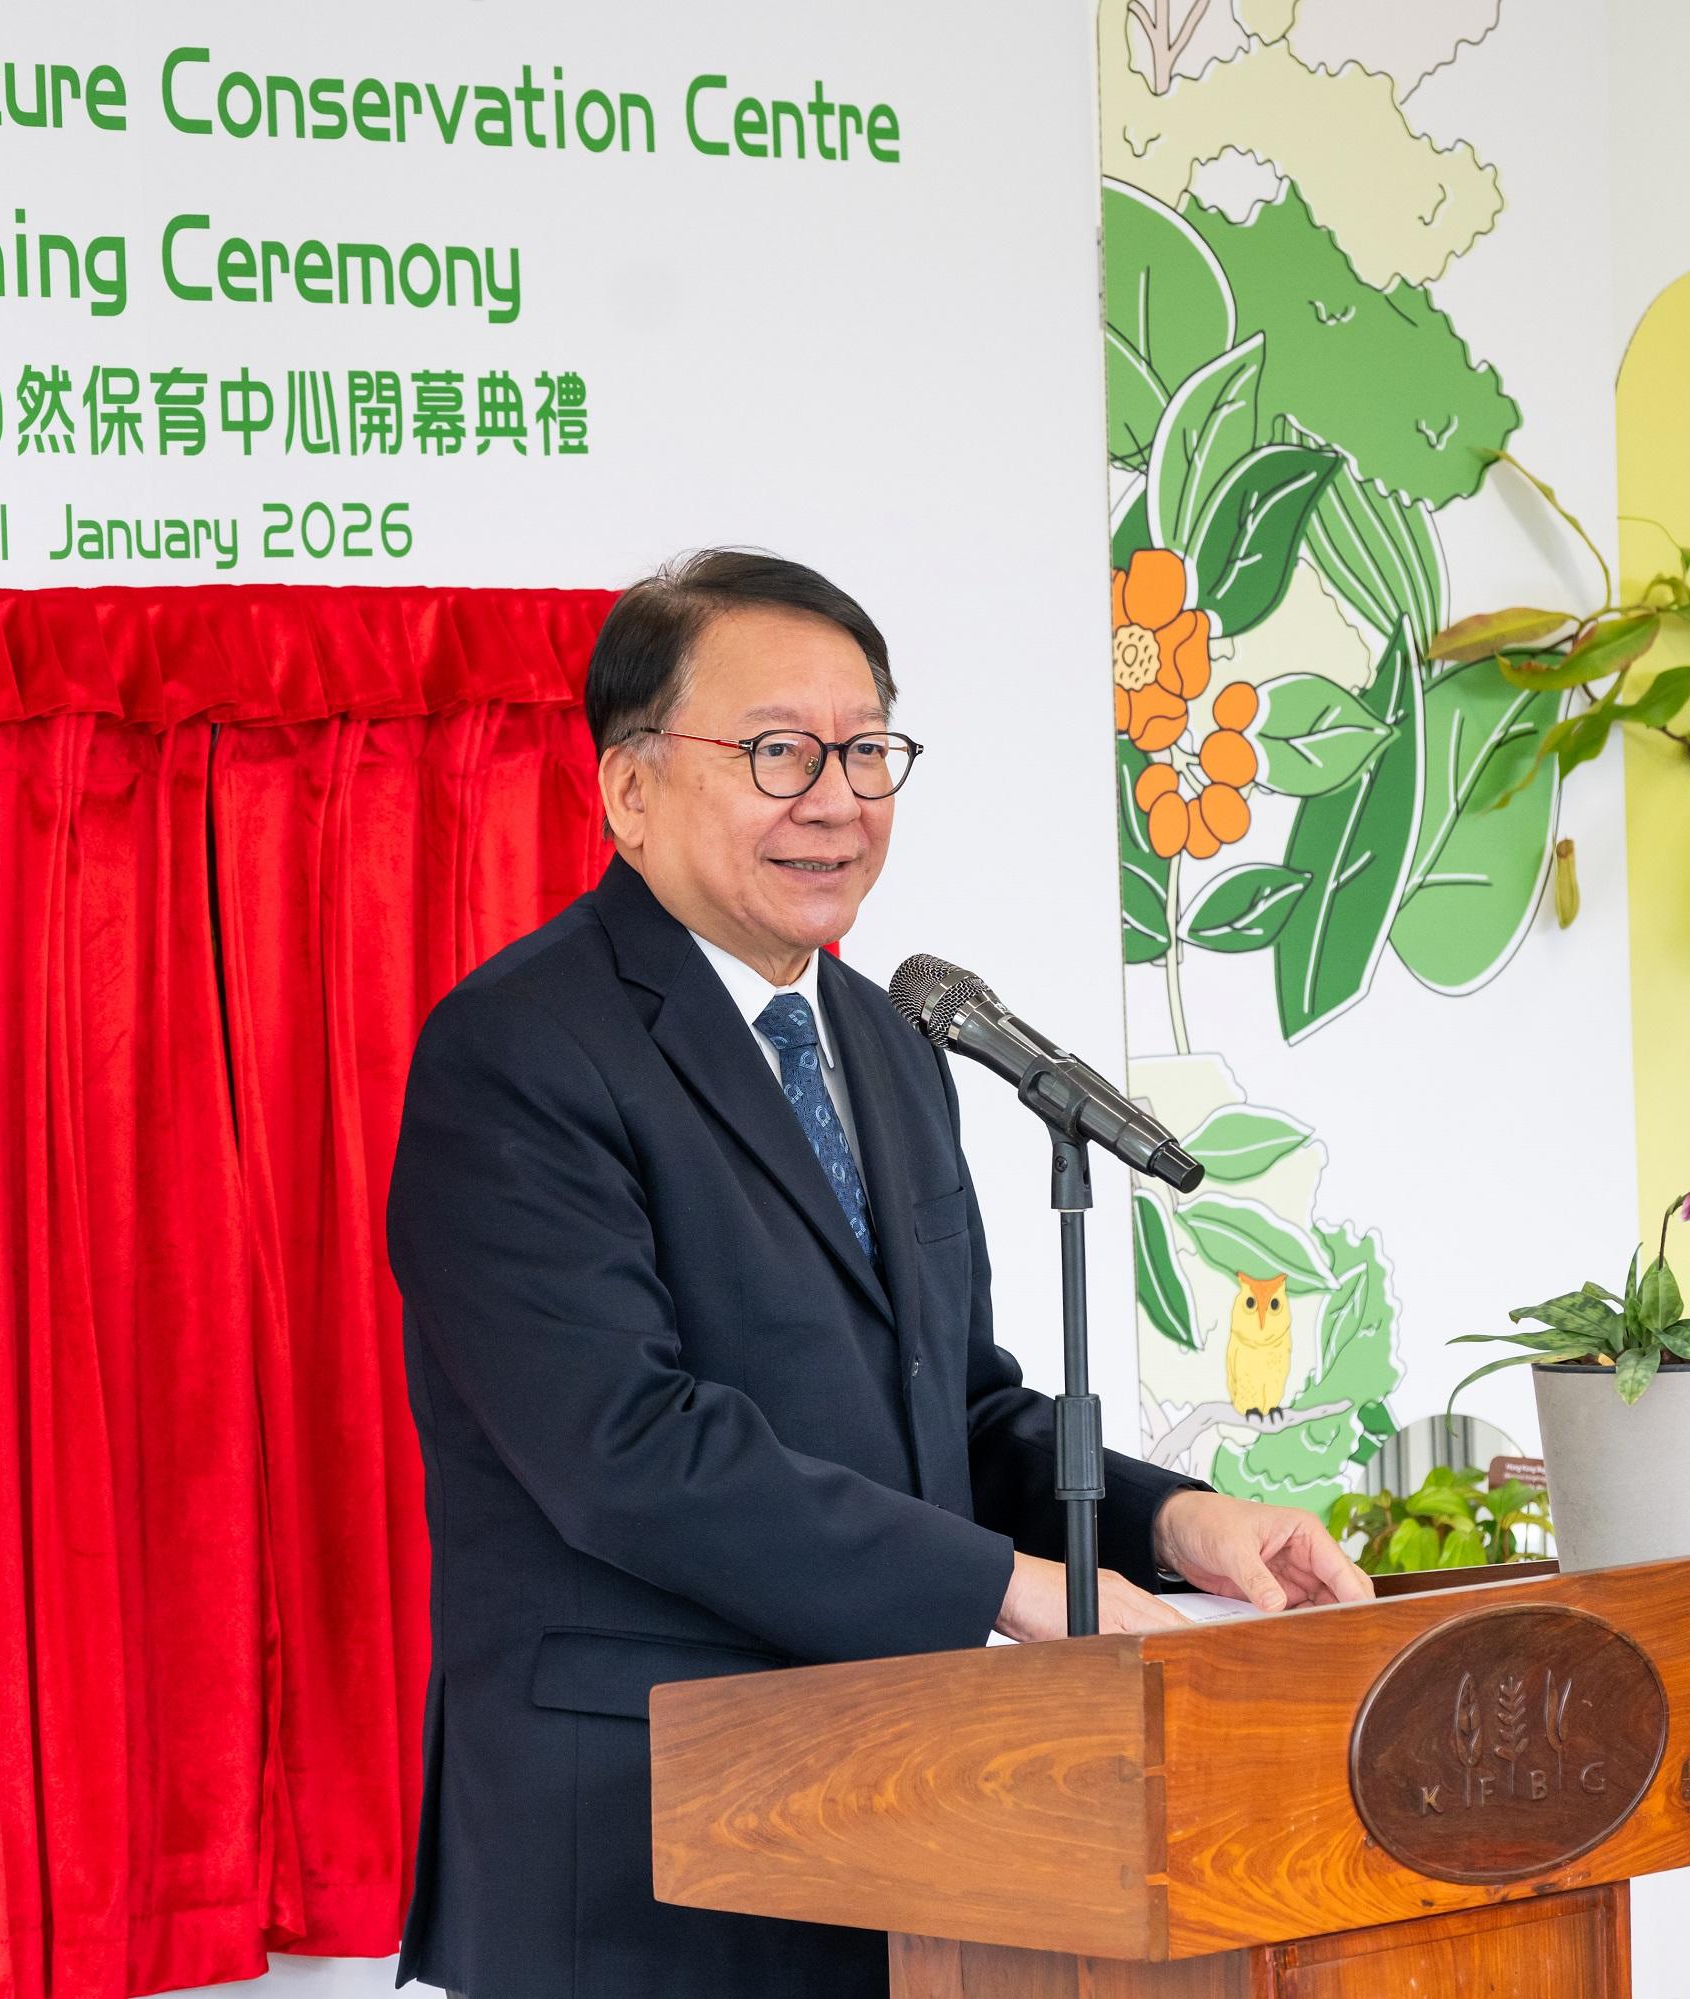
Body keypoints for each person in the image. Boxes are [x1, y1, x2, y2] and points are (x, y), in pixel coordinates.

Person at [387, 551, 1372, 1999]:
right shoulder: (521, 1051)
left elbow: (958, 1415)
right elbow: (625, 1454)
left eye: (866, 750)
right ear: (631, 790)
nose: (836, 798)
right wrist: (1013, 1589)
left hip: (901, 1817)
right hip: (642, 1844)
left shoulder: (896, 1043)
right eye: (779, 751)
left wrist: (1179, 1524)